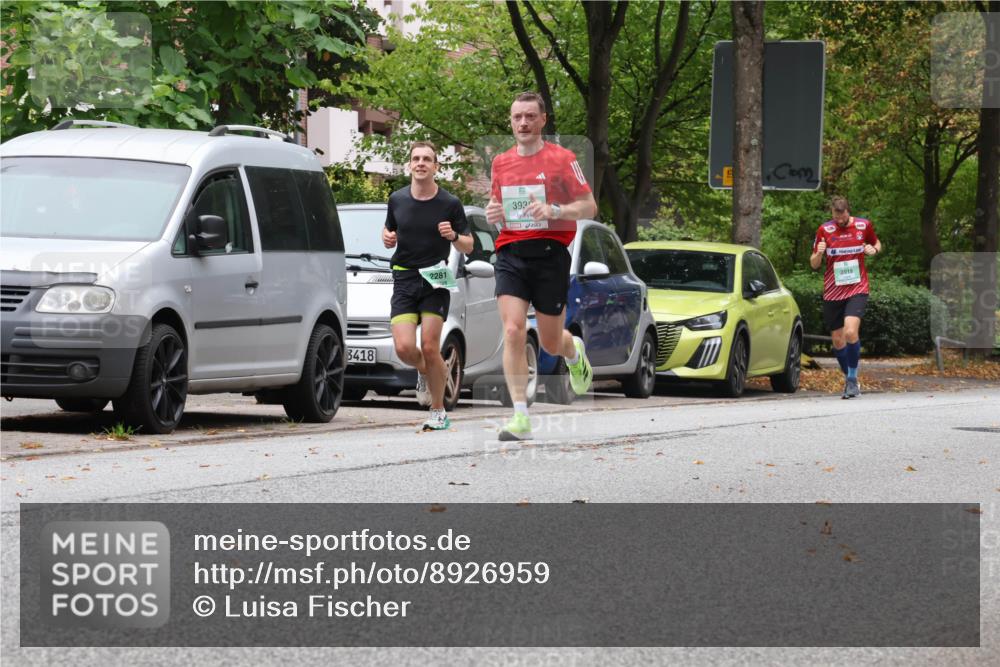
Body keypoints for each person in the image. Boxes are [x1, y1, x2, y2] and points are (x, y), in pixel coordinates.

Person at [485, 92, 599, 441]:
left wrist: (556, 211)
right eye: (517, 117)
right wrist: (493, 214)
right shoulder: (501, 162)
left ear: (543, 120)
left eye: (530, 116)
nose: (523, 123)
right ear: (510, 121)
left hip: (551, 254)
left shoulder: (563, 159)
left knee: (550, 343)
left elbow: (589, 206)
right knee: (514, 331)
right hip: (511, 253)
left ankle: (573, 351)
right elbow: (495, 203)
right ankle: (520, 416)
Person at [383, 141, 473, 430]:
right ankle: (426, 371)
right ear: (410, 165)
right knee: (405, 348)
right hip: (404, 278)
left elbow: (469, 245)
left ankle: (437, 412)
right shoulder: (397, 199)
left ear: (436, 166)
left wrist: (453, 236)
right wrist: (387, 238)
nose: (420, 163)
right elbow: (389, 231)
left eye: (427, 159)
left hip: (435, 279)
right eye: (416, 159)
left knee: (431, 347)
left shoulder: (450, 204)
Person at [809, 196, 882, 399]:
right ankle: (851, 378)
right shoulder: (824, 230)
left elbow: (877, 243)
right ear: (832, 212)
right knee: (838, 340)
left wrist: (873, 249)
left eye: (842, 215)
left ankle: (851, 379)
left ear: (848, 211)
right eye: (836, 215)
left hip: (857, 288)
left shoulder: (863, 225)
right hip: (833, 291)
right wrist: (818, 254)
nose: (839, 220)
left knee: (850, 332)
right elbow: (814, 264)